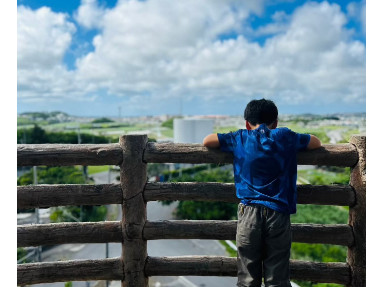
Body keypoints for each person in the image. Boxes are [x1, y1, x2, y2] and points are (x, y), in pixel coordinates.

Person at [203, 99, 321, 287]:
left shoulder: (240, 137)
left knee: (247, 277)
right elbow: (315, 142)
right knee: (278, 278)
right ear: (276, 122)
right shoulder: (285, 136)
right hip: (278, 213)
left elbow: (207, 140)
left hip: (248, 213)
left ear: (247, 123)